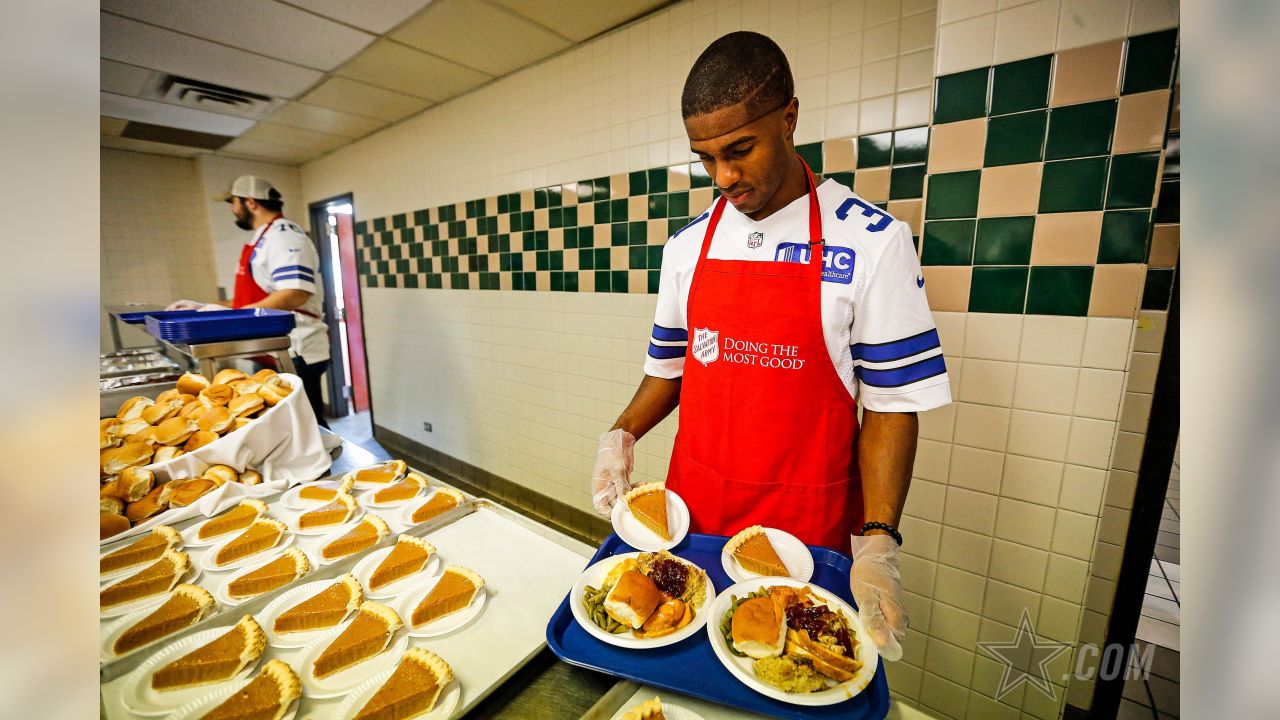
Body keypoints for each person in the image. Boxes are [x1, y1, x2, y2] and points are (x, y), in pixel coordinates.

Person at [590, 32, 951, 662]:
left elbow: (893, 404)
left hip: (806, 536)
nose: (723, 177)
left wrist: (879, 540)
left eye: (740, 150)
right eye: (706, 158)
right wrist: (619, 435)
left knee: (793, 679)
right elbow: (669, 370)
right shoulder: (686, 249)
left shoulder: (873, 242)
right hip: (692, 524)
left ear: (788, 119)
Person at [169, 175, 331, 428]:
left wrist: (234, 317)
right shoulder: (264, 238)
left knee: (306, 425)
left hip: (296, 349)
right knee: (285, 424)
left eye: (233, 202)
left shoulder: (285, 236)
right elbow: (253, 300)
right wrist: (205, 308)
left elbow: (295, 293)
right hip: (270, 347)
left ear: (251, 202)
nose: (233, 209)